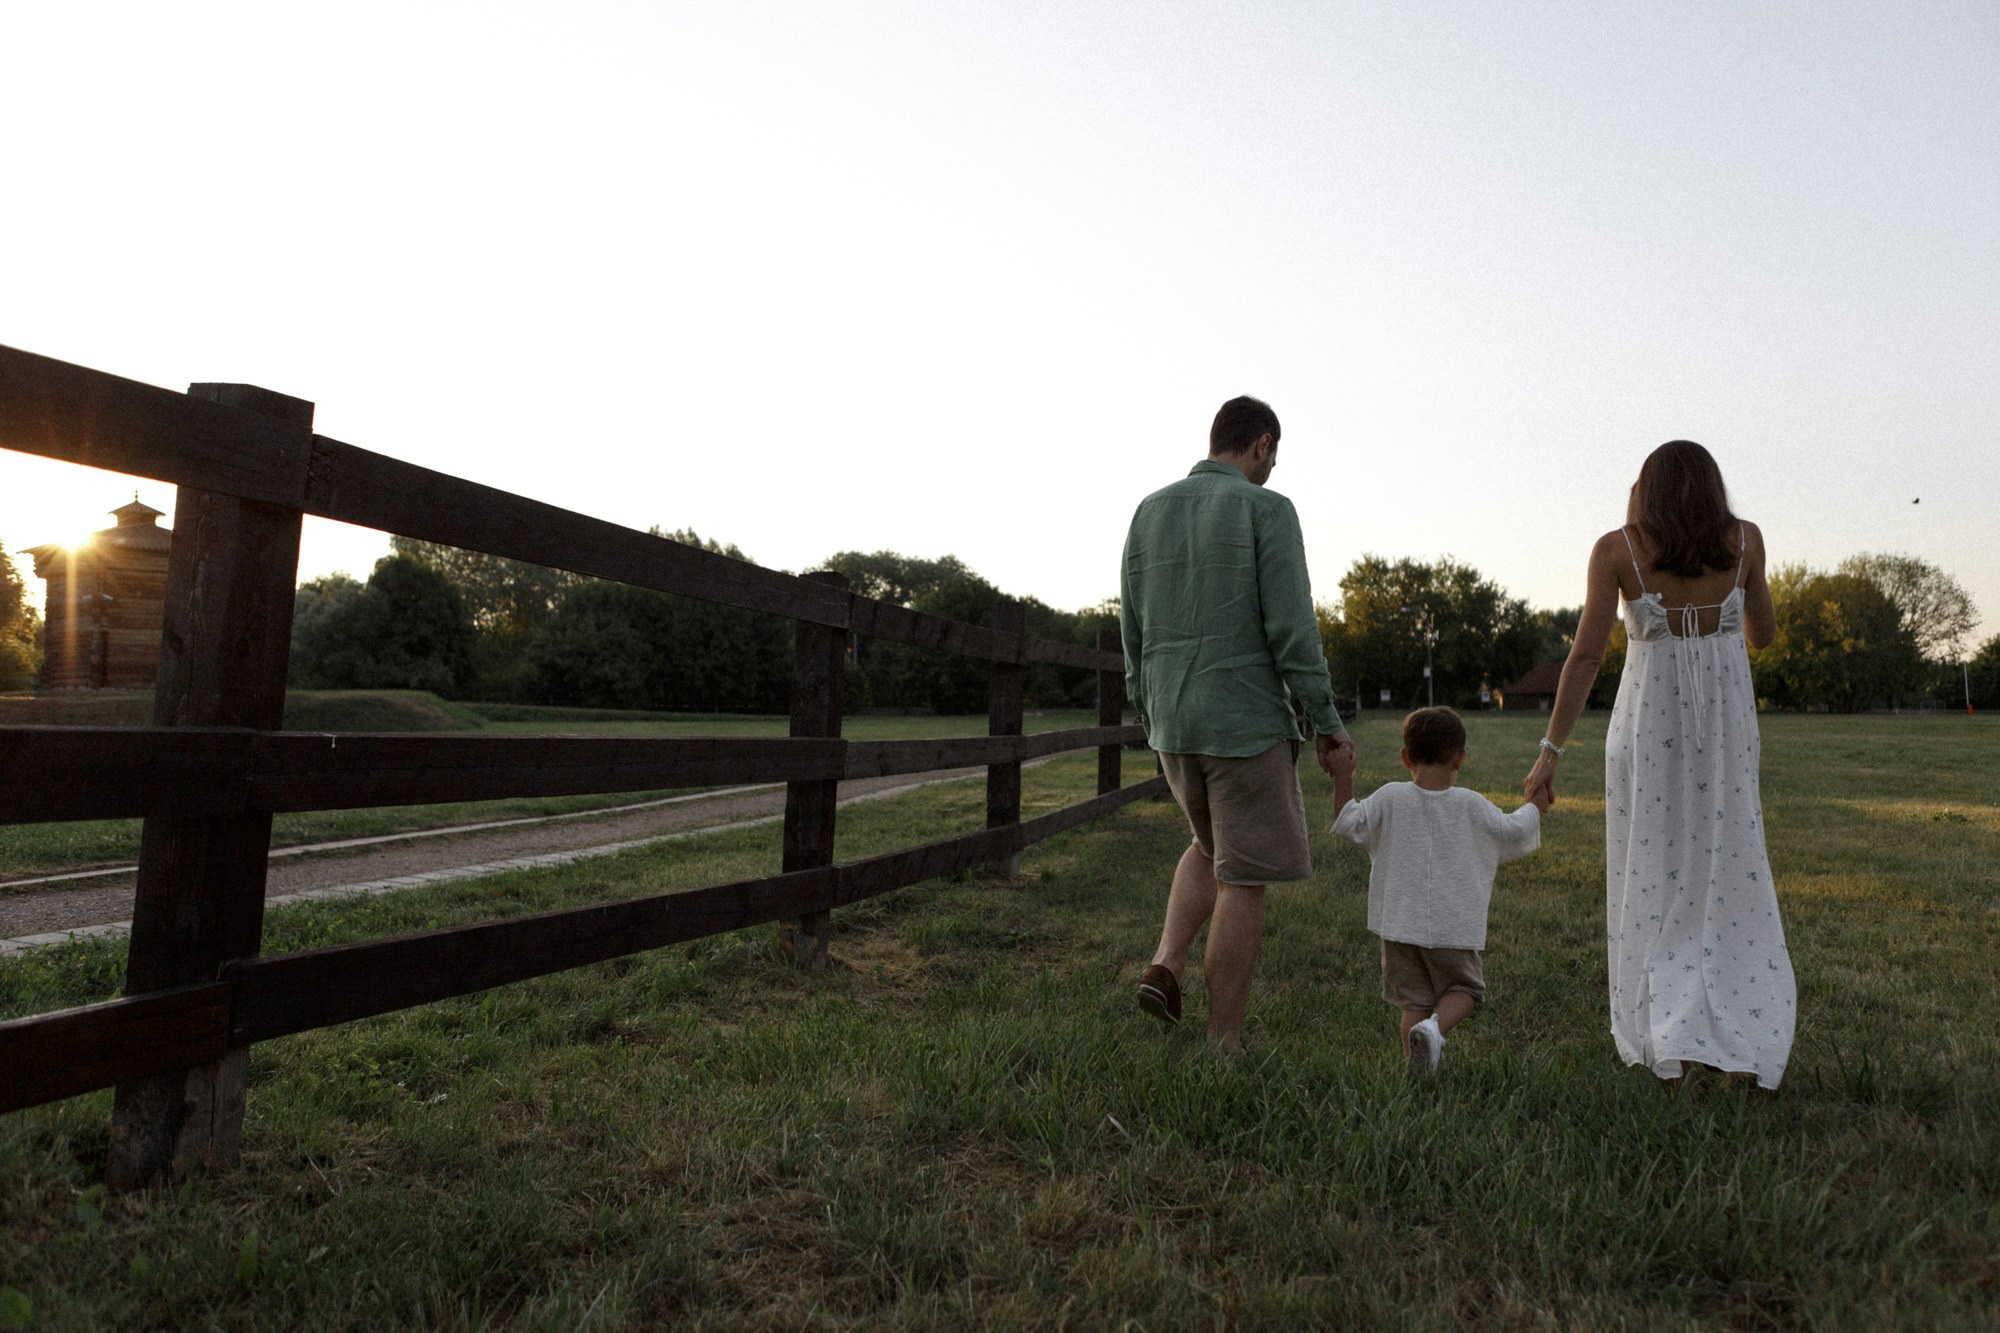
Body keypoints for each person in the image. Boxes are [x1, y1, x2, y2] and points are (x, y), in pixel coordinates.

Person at [1522, 439, 1796, 1089]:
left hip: (1649, 734)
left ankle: (1671, 1034)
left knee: (1655, 877)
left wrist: (1550, 750)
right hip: (1725, 736)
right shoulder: (1747, 542)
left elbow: (1586, 656)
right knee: (1726, 869)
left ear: (1646, 489)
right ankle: (1735, 1026)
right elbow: (1763, 634)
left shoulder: (1617, 550)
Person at [1121, 394, 1351, 1053]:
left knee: (1207, 845)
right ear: (1262, 444)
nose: (1272, 468)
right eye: (1273, 456)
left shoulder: (1149, 510)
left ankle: (1166, 962)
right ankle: (1224, 1044)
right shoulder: (1266, 508)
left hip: (1173, 723)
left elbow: (1131, 628)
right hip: (1244, 724)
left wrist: (1149, 709)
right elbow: (1292, 630)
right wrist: (1326, 720)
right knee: (1243, 876)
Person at [1329, 707, 1547, 1075]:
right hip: (1453, 927)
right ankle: (1433, 1030)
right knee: (1466, 989)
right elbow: (1513, 832)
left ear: (1405, 757)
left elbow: (1347, 821)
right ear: (1459, 759)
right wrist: (1534, 808)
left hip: (1399, 925)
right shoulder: (1471, 804)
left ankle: (1414, 1066)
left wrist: (1343, 777)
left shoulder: (1389, 797)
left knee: (1414, 1001)